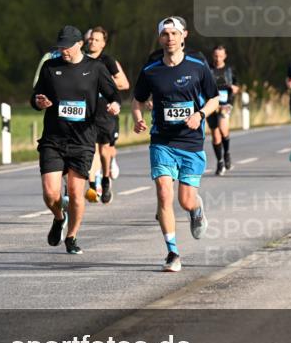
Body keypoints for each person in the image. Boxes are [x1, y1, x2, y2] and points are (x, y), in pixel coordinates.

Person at [132, 16, 220, 273]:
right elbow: (136, 100)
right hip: (162, 141)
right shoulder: (151, 71)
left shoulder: (198, 67)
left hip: (191, 142)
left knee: (185, 200)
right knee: (163, 193)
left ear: (184, 36)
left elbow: (214, 99)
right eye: (165, 34)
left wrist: (200, 115)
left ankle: (196, 209)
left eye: (174, 33)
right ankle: (172, 252)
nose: (169, 38)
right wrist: (138, 119)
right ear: (159, 38)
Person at [32, 26, 121, 255]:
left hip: (82, 140)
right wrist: (39, 102)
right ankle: (59, 217)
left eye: (68, 47)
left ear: (80, 44)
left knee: (75, 192)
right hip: (53, 138)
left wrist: (114, 105)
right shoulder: (51, 67)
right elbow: (35, 97)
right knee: (51, 193)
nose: (64, 51)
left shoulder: (96, 68)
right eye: (60, 46)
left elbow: (114, 94)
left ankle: (71, 237)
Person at [83, 27, 129, 204]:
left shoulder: (108, 61)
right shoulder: (82, 60)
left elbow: (124, 83)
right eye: (91, 39)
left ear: (103, 43)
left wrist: (101, 81)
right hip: (87, 113)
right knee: (91, 150)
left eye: (96, 40)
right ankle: (93, 185)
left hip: (106, 112)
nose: (92, 42)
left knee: (104, 151)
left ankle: (106, 179)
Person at [208, 45, 239, 175]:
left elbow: (237, 87)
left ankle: (226, 153)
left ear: (225, 56)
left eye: (220, 56)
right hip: (210, 104)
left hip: (225, 104)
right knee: (215, 136)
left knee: (223, 130)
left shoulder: (230, 70)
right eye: (216, 55)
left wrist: (233, 87)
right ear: (212, 55)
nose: (218, 58)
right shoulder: (207, 69)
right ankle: (220, 162)